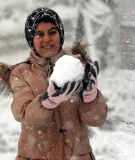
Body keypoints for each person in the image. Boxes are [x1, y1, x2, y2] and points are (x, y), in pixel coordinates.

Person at [0, 7, 107, 160]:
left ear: (60, 34)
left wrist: (90, 97)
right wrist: (48, 100)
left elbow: (97, 119)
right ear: (31, 39)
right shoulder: (21, 73)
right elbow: (24, 115)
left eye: (52, 32)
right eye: (39, 34)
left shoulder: (78, 66)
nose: (47, 39)